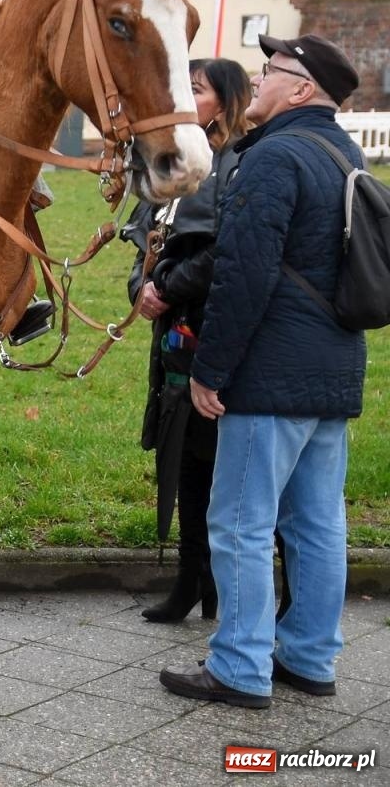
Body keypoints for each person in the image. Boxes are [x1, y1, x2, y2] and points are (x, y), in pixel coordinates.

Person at [160, 33, 367, 709]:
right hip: (332, 367)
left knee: (241, 522)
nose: (259, 77)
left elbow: (243, 275)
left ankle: (241, 666)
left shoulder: (273, 157)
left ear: (302, 90)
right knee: (317, 524)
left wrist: (210, 369)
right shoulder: (345, 153)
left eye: (271, 70)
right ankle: (308, 656)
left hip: (271, 373)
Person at [125, 58, 251, 622]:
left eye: (196, 90)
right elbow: (146, 245)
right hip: (171, 336)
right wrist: (142, 290)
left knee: (216, 463)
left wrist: (168, 288)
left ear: (225, 102)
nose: (184, 99)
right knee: (184, 462)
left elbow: (225, 250)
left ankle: (219, 583)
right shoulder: (175, 165)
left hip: (213, 330)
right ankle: (190, 579)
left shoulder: (239, 164)